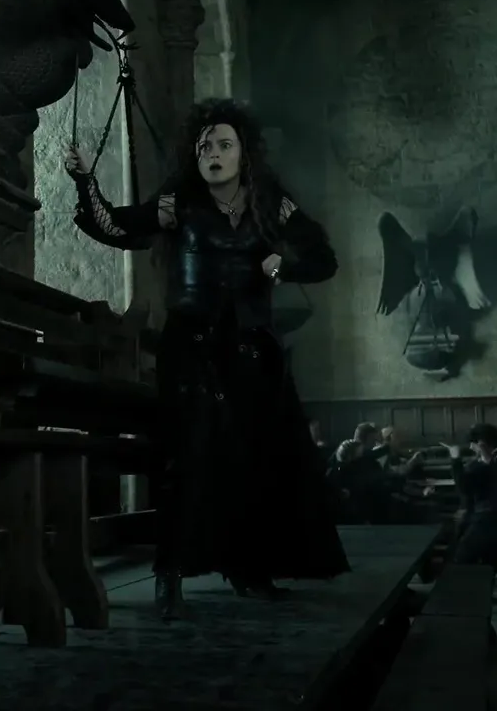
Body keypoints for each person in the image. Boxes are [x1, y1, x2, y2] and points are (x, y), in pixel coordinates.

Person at [64, 97, 349, 619]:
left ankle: (250, 569)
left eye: (223, 145)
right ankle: (169, 573)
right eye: (204, 147)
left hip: (253, 349)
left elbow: (323, 259)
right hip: (192, 347)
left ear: (243, 153)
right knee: (187, 455)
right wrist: (86, 181)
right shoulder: (179, 202)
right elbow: (116, 227)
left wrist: (282, 267)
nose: (212, 154)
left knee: (255, 459)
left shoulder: (272, 202)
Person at [444, 424, 497, 565]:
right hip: (482, 516)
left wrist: (456, 459)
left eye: (474, 443)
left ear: (483, 443)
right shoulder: (481, 463)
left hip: (492, 518)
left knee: (461, 555)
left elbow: (464, 487)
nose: (471, 447)